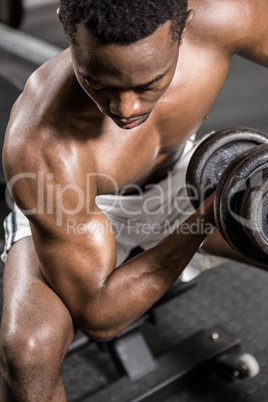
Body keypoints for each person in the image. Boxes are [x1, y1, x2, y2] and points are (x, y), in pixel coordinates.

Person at [0, 0, 268, 400]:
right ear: (66, 27)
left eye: (149, 84)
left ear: (184, 25)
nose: (126, 109)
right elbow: (100, 315)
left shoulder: (226, 16)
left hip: (184, 176)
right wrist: (211, 212)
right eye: (99, 82)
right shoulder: (40, 147)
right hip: (77, 202)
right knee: (27, 351)